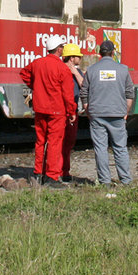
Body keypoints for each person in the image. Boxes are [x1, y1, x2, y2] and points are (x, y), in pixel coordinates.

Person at [20, 34, 76, 187]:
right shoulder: (62, 68)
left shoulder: (37, 63)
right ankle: (51, 177)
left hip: (40, 109)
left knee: (40, 141)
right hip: (57, 111)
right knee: (54, 143)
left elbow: (24, 73)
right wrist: (72, 112)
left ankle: (38, 173)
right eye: (62, 48)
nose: (63, 50)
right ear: (58, 49)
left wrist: (36, 85)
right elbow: (68, 94)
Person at [82, 39, 136, 186]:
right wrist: (126, 111)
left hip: (97, 114)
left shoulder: (91, 70)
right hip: (117, 114)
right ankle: (125, 180)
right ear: (113, 53)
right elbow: (130, 93)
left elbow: (84, 93)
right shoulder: (123, 70)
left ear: (100, 53)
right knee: (120, 148)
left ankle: (104, 181)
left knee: (100, 148)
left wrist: (88, 110)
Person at [60, 41, 85, 182]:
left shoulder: (77, 71)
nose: (80, 59)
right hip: (65, 112)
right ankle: (62, 171)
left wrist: (75, 72)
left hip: (72, 111)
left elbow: (84, 85)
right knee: (64, 143)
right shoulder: (60, 70)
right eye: (78, 56)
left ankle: (64, 170)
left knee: (68, 143)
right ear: (71, 58)